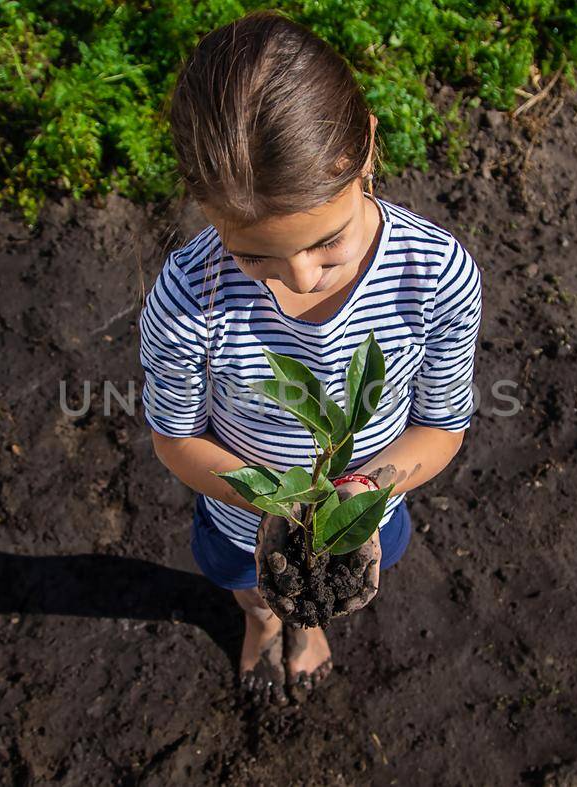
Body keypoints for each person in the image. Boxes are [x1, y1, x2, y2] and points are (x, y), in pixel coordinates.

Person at [138, 9, 483, 704]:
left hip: (366, 513)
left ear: (366, 153)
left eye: (328, 242)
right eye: (253, 254)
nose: (299, 277)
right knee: (252, 587)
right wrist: (278, 506)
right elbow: (176, 437)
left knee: (320, 591)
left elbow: (442, 426)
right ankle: (265, 624)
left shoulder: (436, 274)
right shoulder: (186, 299)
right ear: (206, 207)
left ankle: (308, 626)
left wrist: (359, 495)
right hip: (242, 516)